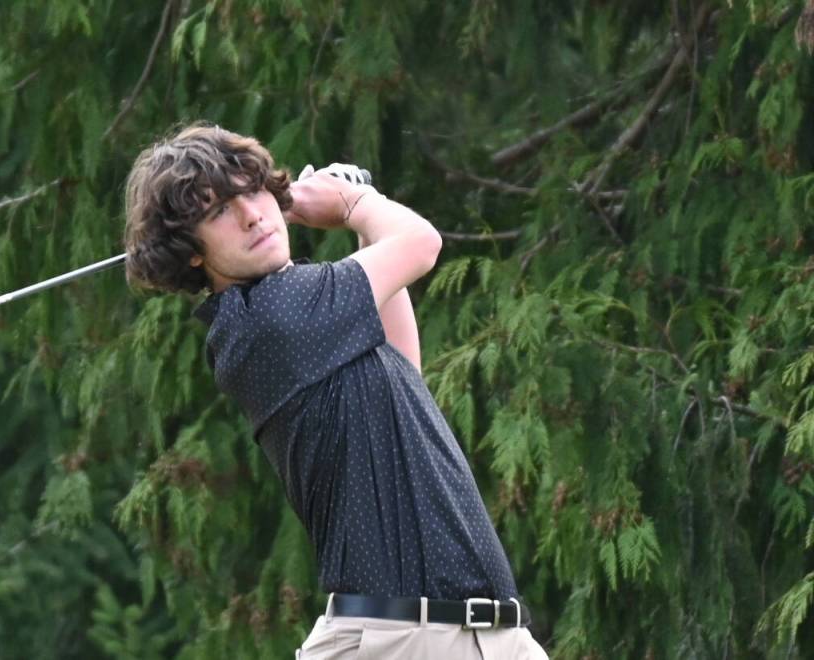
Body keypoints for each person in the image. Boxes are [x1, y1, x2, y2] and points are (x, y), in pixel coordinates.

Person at [123, 123, 548, 659]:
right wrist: (351, 203)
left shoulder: (294, 319)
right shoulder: (273, 313)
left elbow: (403, 371)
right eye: (217, 212)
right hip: (405, 642)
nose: (252, 214)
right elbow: (421, 243)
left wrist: (359, 223)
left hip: (481, 640)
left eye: (253, 191)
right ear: (190, 252)